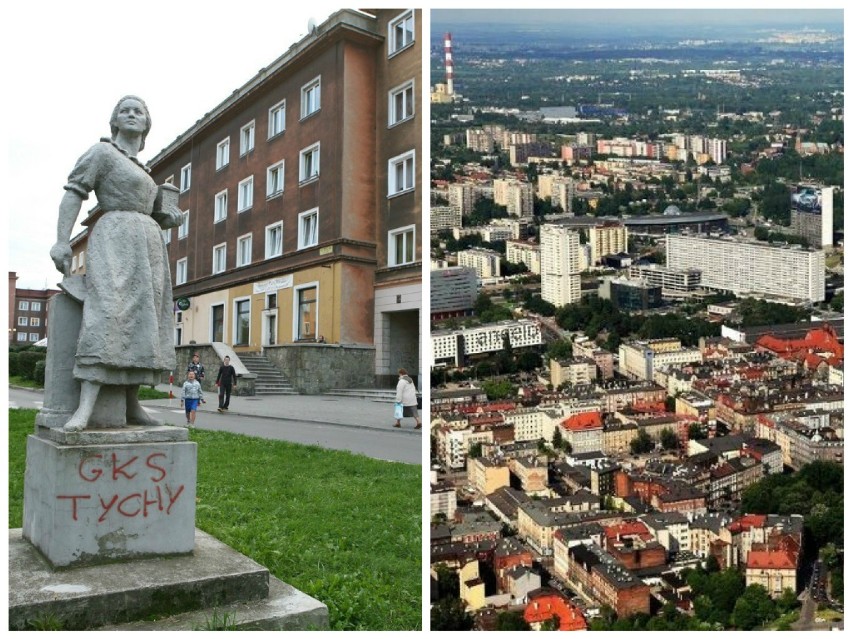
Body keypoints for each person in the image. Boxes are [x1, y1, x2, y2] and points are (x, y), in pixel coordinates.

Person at [49, 96, 183, 432]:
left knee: (142, 321)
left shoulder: (144, 169)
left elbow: (155, 213)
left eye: (139, 111)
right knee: (107, 314)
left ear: (147, 124)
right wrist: (62, 240)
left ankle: (132, 404)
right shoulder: (103, 153)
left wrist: (168, 217)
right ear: (115, 121)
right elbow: (74, 192)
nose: (132, 114)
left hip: (148, 244)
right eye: (125, 110)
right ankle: (86, 408)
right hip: (115, 237)